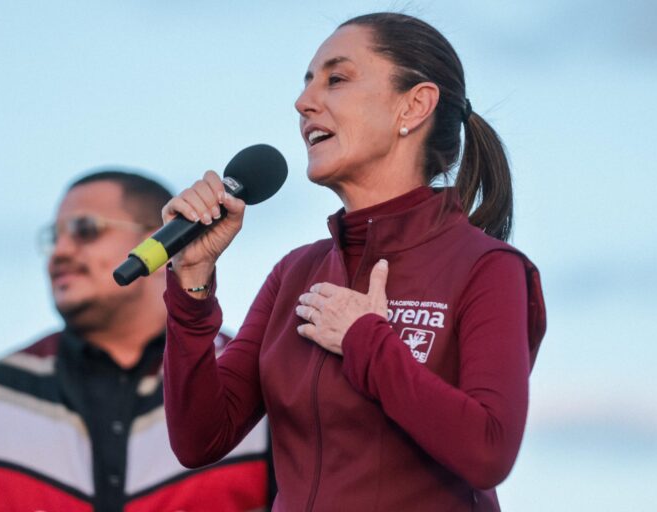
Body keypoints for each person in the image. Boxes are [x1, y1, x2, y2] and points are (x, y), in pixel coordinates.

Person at [161, 12, 546, 512]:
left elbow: (488, 450)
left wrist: (365, 341)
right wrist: (191, 287)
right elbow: (200, 439)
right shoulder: (294, 273)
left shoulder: (488, 267)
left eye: (336, 79)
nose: (303, 103)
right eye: (306, 83)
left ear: (415, 105)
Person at [0, 170, 272, 512]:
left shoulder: (248, 385)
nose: (59, 251)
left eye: (85, 230)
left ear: (164, 240)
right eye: (54, 237)